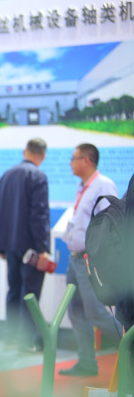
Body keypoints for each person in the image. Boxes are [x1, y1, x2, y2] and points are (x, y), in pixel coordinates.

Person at [59, 143, 123, 377]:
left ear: (86, 160)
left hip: (88, 260)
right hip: (74, 259)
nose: (70, 163)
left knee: (95, 311)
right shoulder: (83, 186)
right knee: (75, 310)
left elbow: (110, 224)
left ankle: (129, 347)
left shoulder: (103, 185)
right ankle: (87, 362)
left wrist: (98, 257)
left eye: (73, 158)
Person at [0, 138, 50, 353]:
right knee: (30, 294)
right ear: (42, 155)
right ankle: (27, 342)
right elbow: (39, 215)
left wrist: (0, 245)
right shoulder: (38, 176)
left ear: (25, 152)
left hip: (10, 246)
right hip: (31, 248)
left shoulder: (6, 175)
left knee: (14, 291)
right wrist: (42, 248)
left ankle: (11, 338)